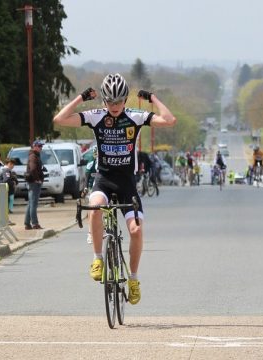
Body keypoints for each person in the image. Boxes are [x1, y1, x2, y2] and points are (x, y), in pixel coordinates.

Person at [53, 73, 176, 305]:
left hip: (127, 183)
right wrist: (80, 98)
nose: (115, 106)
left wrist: (153, 98)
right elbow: (59, 119)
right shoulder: (96, 117)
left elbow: (169, 120)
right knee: (96, 206)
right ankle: (98, 258)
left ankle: (133, 279)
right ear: (104, 101)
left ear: (125, 100)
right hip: (104, 180)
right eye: (110, 102)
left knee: (137, 230)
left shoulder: (135, 117)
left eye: (119, 101)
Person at [24, 140, 45, 230]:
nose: (41, 148)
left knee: (31, 203)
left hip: (33, 182)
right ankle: (35, 223)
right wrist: (37, 179)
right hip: (34, 182)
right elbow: (32, 169)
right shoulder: (33, 156)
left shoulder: (35, 155)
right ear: (34, 146)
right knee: (33, 203)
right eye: (39, 146)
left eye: (41, 146)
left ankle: (27, 223)